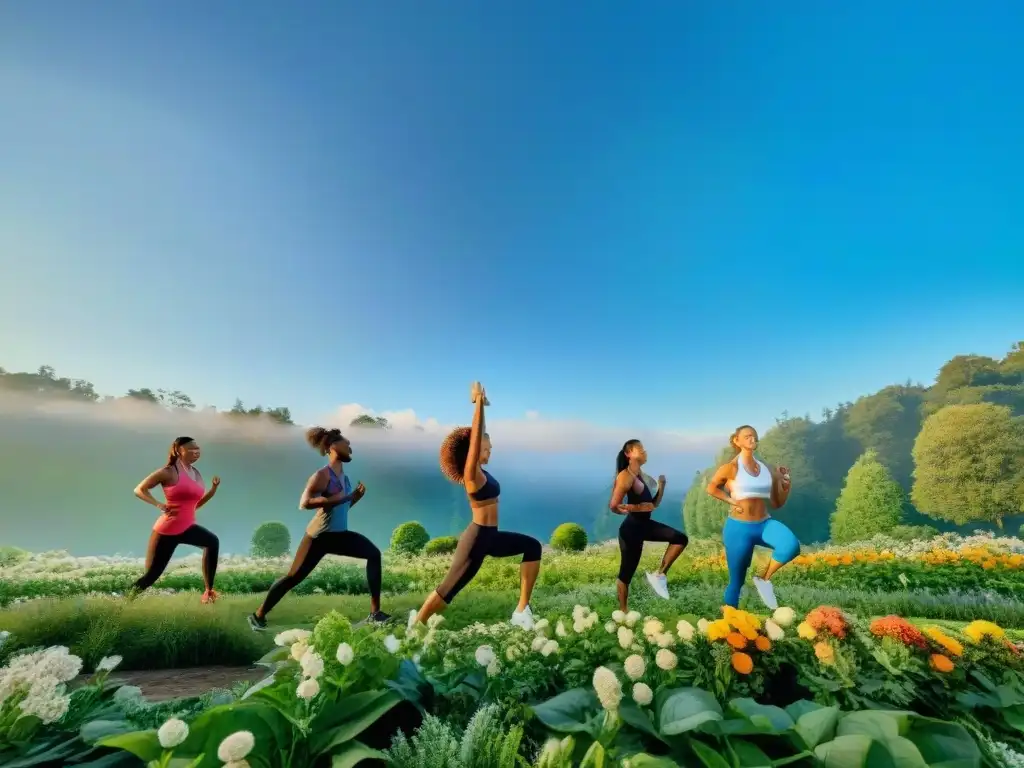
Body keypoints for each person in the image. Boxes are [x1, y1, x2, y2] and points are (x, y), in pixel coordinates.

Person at [413, 382, 542, 629]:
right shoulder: (471, 476)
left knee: (532, 547)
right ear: (476, 447)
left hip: (490, 536)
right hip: (476, 539)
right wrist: (479, 404)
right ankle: (416, 626)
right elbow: (475, 438)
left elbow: (479, 438)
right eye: (487, 446)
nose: (490, 450)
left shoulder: (482, 472)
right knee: (448, 590)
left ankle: (522, 610)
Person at [248, 427, 389, 631]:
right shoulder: (322, 475)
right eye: (346, 444)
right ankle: (258, 615)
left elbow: (342, 507)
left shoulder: (346, 478)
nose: (350, 447)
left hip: (339, 535)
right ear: (332, 446)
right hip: (318, 537)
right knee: (293, 577)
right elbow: (304, 503)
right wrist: (337, 498)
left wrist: (353, 499)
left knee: (374, 554)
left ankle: (375, 614)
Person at [706, 424, 796, 610]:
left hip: (764, 524)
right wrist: (731, 501)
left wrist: (786, 485)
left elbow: (777, 503)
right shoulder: (730, 468)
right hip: (739, 528)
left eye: (754, 436)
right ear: (736, 441)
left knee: (790, 545)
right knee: (736, 582)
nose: (752, 438)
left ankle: (763, 579)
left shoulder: (766, 470)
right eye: (747, 436)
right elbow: (712, 488)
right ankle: (730, 624)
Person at [131, 436, 222, 602]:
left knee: (212, 541)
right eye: (191, 449)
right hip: (167, 529)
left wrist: (213, 490)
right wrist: (158, 504)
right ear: (179, 450)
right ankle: (123, 603)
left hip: (187, 527)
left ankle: (208, 592)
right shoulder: (168, 472)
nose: (196, 452)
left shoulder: (196, 473)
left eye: (198, 449)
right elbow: (139, 489)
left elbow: (194, 505)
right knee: (151, 576)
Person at [608, 439, 689, 610]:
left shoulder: (640, 475)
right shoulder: (625, 476)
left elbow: (653, 504)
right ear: (628, 453)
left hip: (645, 525)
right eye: (640, 449)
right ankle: (623, 611)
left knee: (680, 539)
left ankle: (659, 575)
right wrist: (633, 508)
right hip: (631, 530)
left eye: (644, 449)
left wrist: (662, 486)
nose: (644, 452)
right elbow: (614, 505)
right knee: (626, 574)